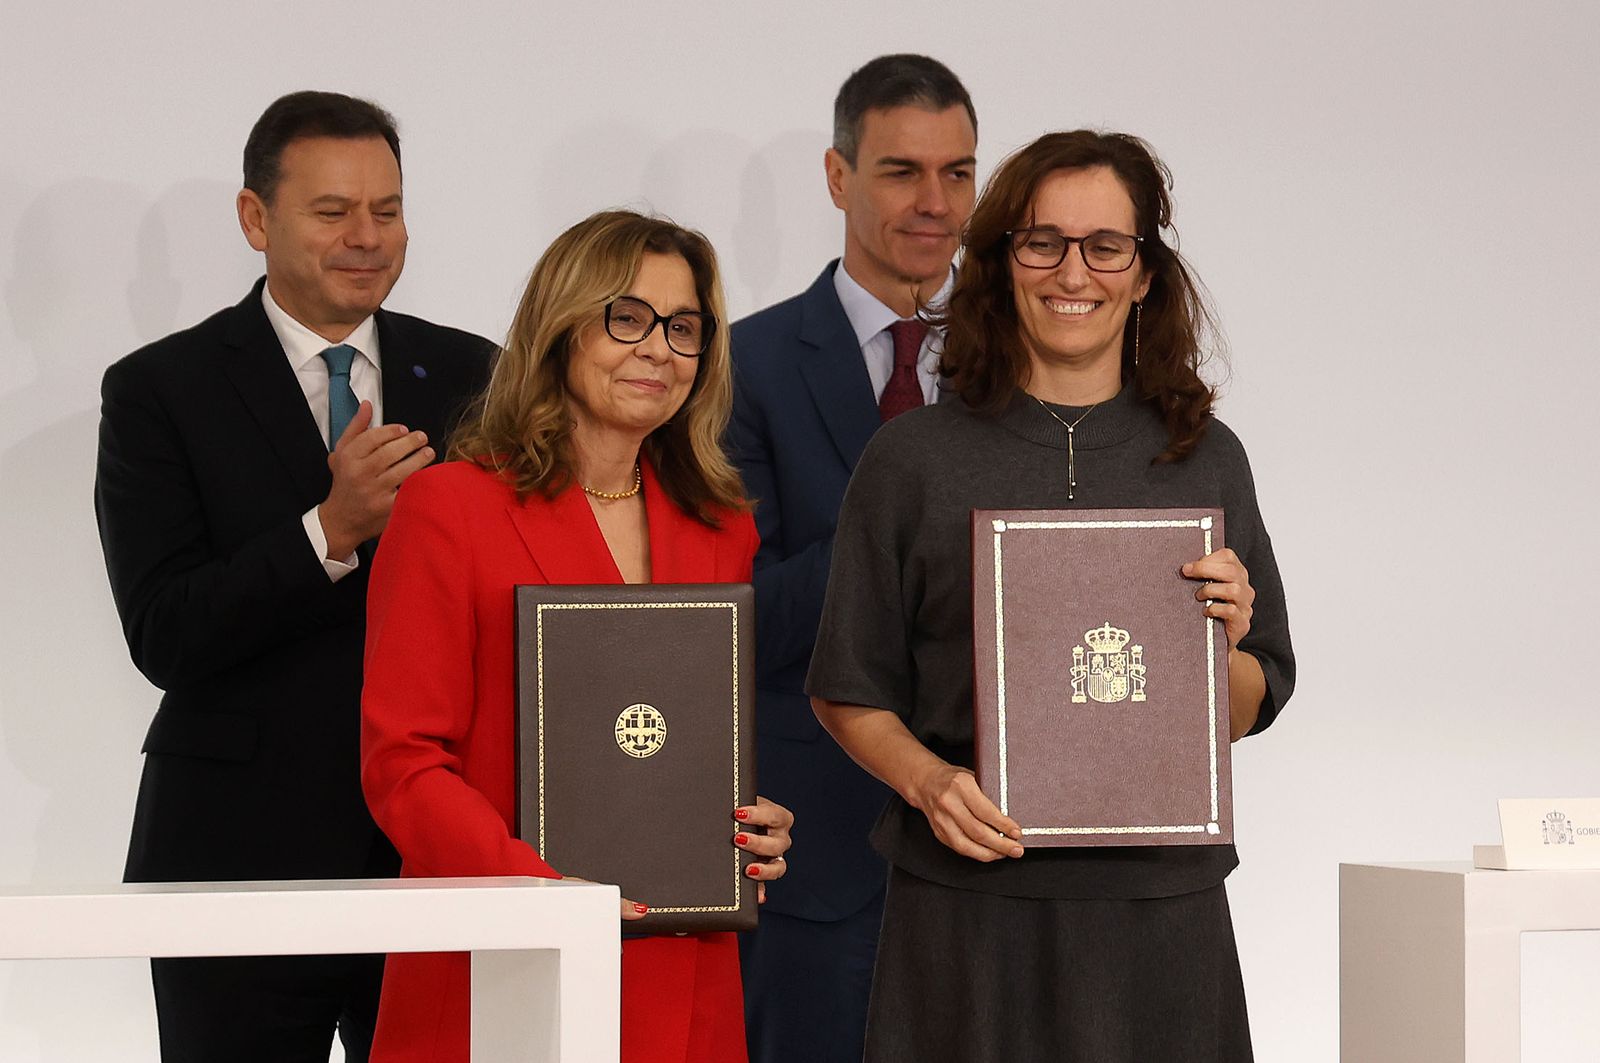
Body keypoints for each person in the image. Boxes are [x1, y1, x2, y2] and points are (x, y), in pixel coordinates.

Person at [807, 130, 1296, 1062]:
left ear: (1145, 272)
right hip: (967, 911)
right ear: (1000, 263)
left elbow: (1250, 702)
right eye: (1043, 242)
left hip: (1160, 918)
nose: (1075, 271)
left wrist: (1223, 644)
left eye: (1106, 245)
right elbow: (848, 683)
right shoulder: (912, 459)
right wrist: (928, 781)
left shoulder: (1205, 458)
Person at [94, 91, 494, 1062]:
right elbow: (164, 631)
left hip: (429, 858)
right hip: (233, 860)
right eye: (333, 211)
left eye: (387, 210)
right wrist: (329, 530)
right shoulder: (158, 390)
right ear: (255, 218)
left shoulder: (478, 372)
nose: (367, 237)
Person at [360, 209, 795, 1063]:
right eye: (626, 318)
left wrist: (753, 827)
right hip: (499, 956)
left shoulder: (720, 526)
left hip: (684, 969)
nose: (657, 349)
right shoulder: (449, 507)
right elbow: (402, 764)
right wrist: (548, 893)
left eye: (683, 328)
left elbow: (687, 746)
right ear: (562, 327)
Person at [726, 53, 977, 1063]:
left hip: (1000, 844)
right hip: (816, 855)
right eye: (900, 171)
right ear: (837, 177)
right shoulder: (738, 368)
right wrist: (896, 538)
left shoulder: (1027, 368)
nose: (934, 202)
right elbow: (732, 621)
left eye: (957, 173)